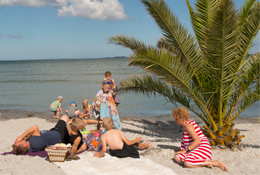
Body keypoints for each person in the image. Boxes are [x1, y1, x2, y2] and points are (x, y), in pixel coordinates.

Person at [172, 107, 228, 172]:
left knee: (187, 164)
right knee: (177, 158)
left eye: (176, 119)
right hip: (194, 147)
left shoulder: (188, 126)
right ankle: (205, 163)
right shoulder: (185, 124)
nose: (175, 121)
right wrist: (181, 149)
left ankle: (216, 163)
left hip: (201, 147)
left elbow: (198, 141)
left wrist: (185, 150)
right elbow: (189, 140)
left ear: (183, 118)